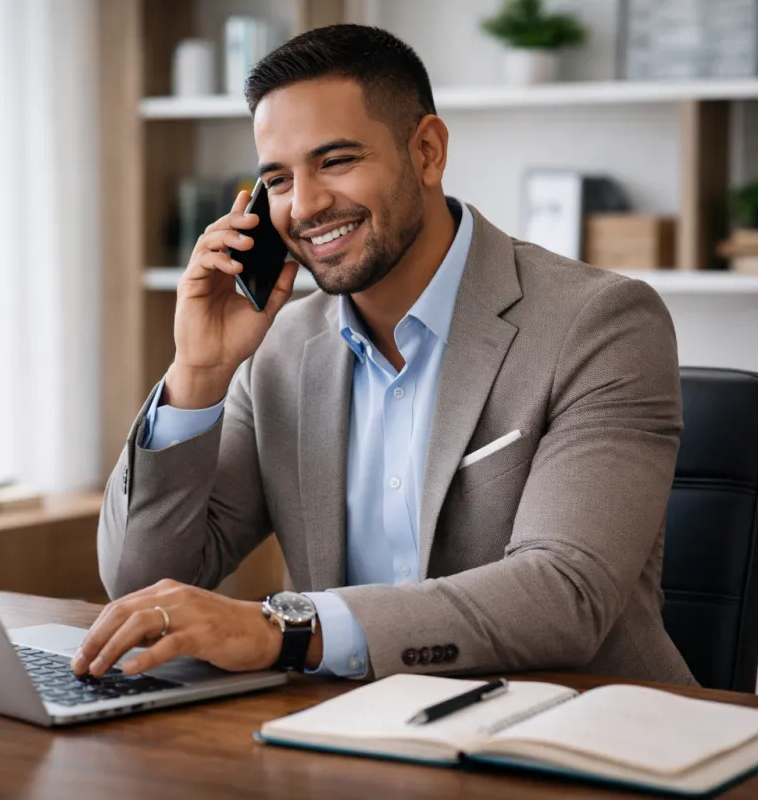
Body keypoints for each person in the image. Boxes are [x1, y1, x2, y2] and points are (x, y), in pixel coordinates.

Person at [71, 24, 694, 686]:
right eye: (278, 179)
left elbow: (565, 595)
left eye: (336, 161)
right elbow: (142, 583)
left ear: (427, 151)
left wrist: (288, 630)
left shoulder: (598, 324)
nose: (305, 206)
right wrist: (198, 371)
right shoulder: (280, 350)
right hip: (344, 728)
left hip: (565, 726)